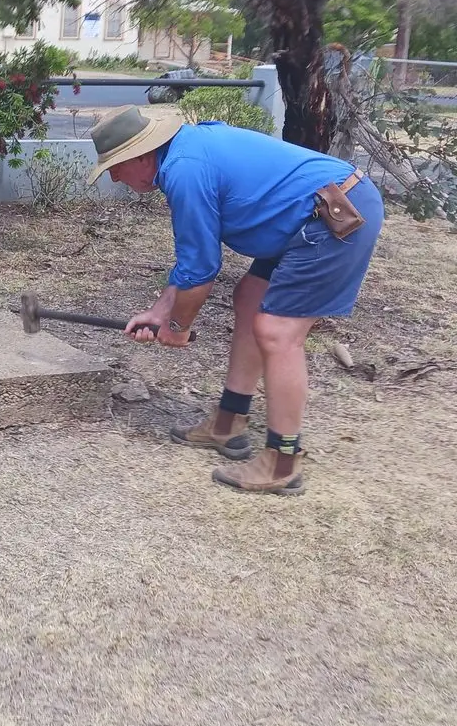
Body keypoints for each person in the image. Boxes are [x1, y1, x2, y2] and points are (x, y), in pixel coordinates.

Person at [85, 105, 384, 495]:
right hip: (303, 214)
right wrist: (160, 313)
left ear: (141, 155)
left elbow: (201, 271)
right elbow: (193, 258)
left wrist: (178, 328)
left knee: (278, 333)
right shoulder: (183, 155)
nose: (115, 177)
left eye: (117, 166)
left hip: (334, 212)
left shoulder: (184, 171)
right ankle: (228, 423)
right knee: (249, 298)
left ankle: (282, 462)